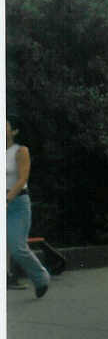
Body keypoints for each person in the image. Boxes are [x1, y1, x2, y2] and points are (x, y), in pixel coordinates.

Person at [7, 117, 49, 298]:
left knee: (17, 248)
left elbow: (23, 179)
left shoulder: (20, 151)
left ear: (14, 131)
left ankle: (41, 278)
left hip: (17, 204)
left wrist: (7, 198)